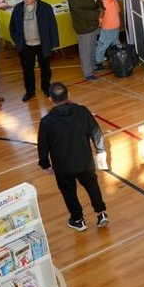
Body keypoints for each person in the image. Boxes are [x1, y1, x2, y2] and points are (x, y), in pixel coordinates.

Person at [38, 82, 110, 231]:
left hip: (63, 166)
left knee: (68, 192)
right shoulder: (83, 111)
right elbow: (96, 132)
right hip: (84, 161)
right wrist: (100, 150)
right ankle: (101, 213)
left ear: (50, 99)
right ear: (68, 95)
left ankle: (78, 220)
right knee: (92, 185)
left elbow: (42, 146)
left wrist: (45, 165)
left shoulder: (46, 122)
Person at [8, 0, 59, 102]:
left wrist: (54, 43)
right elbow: (12, 27)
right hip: (25, 45)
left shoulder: (45, 8)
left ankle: (46, 88)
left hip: (42, 44)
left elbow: (52, 26)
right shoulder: (18, 8)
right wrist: (18, 41)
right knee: (27, 70)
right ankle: (30, 91)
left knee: (45, 68)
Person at [67, 0, 102, 81]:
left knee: (92, 47)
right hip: (83, 26)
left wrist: (100, 8)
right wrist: (97, 14)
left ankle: (93, 66)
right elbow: (80, 12)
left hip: (92, 24)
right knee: (85, 50)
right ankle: (87, 73)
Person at [94, 0, 121, 71]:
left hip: (107, 28)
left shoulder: (101, 3)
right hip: (116, 25)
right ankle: (119, 60)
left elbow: (101, 16)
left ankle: (98, 64)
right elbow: (118, 10)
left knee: (101, 46)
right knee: (115, 44)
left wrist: (99, 22)